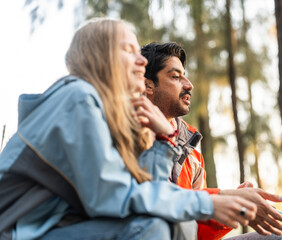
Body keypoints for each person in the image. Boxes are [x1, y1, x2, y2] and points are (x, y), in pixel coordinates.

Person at [0, 18, 259, 240]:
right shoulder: (77, 98)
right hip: (20, 233)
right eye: (128, 50)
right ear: (101, 56)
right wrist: (208, 202)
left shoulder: (105, 114)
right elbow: (113, 197)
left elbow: (148, 194)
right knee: (153, 227)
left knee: (169, 224)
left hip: (57, 229)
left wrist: (165, 141)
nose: (140, 61)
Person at [141, 42, 282, 240]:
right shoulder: (128, 137)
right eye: (175, 77)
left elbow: (196, 232)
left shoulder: (192, 151)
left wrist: (233, 208)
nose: (189, 84)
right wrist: (225, 197)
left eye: (185, 75)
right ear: (148, 85)